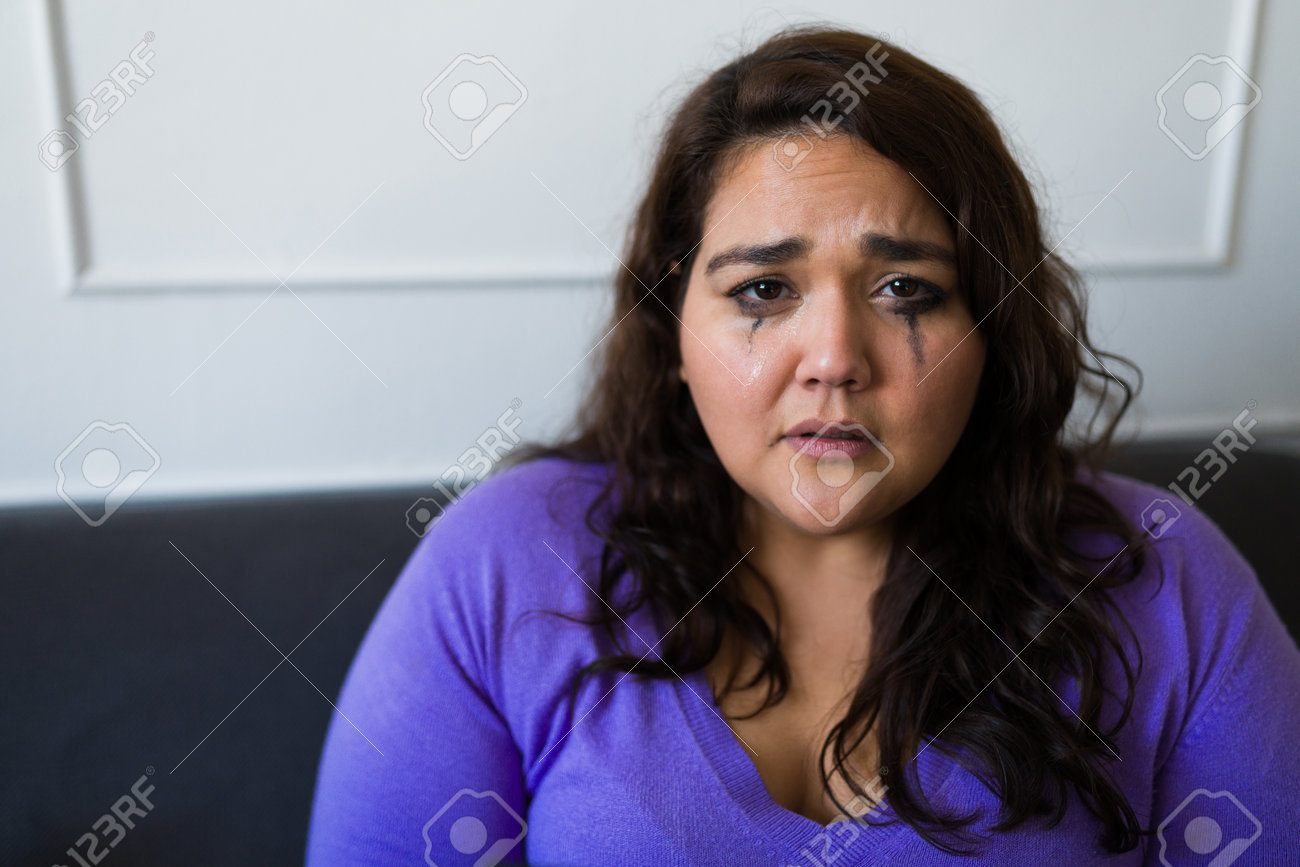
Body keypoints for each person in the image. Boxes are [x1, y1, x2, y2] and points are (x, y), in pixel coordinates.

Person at [306, 25, 1300, 866]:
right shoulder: (504, 562)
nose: (832, 358)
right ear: (672, 333)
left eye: (906, 288)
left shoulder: (1161, 576)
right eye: (761, 292)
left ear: (991, 329)